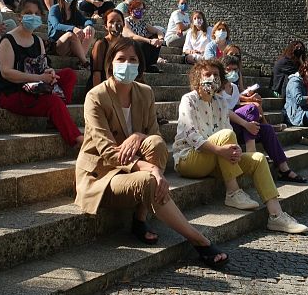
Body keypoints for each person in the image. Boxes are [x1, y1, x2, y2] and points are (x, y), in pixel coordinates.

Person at [76, 38, 229, 268]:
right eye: (121, 59)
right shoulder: (96, 96)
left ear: (140, 65)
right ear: (110, 63)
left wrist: (138, 136)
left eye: (133, 59)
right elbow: (107, 152)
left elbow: (155, 135)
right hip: (103, 174)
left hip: (134, 162)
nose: (127, 64)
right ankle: (199, 240)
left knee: (156, 143)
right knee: (149, 181)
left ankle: (140, 218)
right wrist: (152, 169)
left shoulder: (145, 92)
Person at [173, 60, 308, 234]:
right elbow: (191, 135)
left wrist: (235, 150)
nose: (212, 78)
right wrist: (220, 150)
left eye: (216, 74)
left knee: (258, 158)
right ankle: (233, 192)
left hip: (216, 159)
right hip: (189, 158)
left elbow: (229, 131)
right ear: (197, 78)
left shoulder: (221, 102)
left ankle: (277, 215)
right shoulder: (188, 99)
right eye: (207, 74)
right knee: (226, 136)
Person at [0, 0, 83, 148]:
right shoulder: (7, 41)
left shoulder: (37, 41)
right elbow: (6, 73)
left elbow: (43, 66)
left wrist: (49, 72)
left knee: (69, 74)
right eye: (28, 13)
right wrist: (39, 77)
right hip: (13, 93)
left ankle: (56, 117)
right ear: (19, 16)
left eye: (37, 13)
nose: (33, 16)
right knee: (53, 101)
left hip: (36, 87)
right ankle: (77, 139)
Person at [220, 56, 305, 183]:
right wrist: (247, 121)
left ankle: (284, 169)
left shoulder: (235, 88)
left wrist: (253, 103)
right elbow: (225, 111)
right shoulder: (218, 90)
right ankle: (251, 153)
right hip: (226, 128)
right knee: (251, 108)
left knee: (267, 129)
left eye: (235, 69)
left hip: (238, 126)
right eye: (228, 69)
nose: (232, 72)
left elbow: (236, 107)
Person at [48, 0, 95, 69]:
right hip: (57, 45)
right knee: (70, 35)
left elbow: (86, 20)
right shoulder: (54, 9)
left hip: (71, 47)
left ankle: (80, 60)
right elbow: (56, 25)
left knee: (90, 30)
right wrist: (73, 28)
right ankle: (85, 62)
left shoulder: (75, 12)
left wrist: (89, 25)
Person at [88, 9, 126, 89]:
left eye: (119, 21)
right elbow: (96, 73)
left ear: (124, 24)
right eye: (111, 22)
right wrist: (99, 93)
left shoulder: (127, 44)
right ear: (105, 26)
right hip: (103, 86)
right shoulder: (101, 44)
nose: (115, 24)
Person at [123, 0, 163, 73]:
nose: (140, 11)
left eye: (142, 9)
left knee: (155, 38)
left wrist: (160, 39)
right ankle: (142, 65)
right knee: (143, 43)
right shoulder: (126, 21)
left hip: (143, 47)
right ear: (131, 10)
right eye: (138, 9)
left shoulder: (142, 23)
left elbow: (158, 31)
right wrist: (149, 41)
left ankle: (151, 65)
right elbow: (131, 36)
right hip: (130, 46)